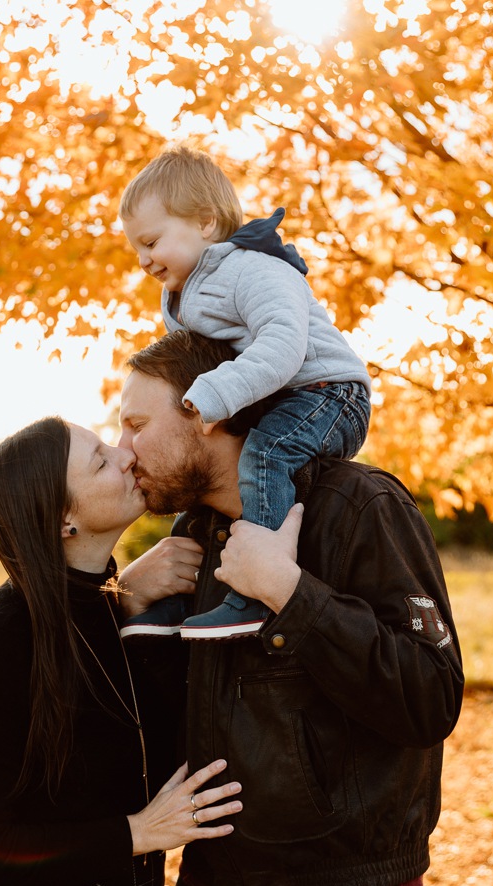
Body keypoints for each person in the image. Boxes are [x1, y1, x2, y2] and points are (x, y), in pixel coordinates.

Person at [118, 331, 465, 886]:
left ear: (207, 413)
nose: (124, 450)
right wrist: (123, 601)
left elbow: (429, 695)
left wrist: (288, 590)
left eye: (135, 425)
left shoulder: (358, 506)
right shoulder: (194, 537)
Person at [0, 416, 243, 886]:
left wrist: (125, 595)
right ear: (61, 520)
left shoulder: (101, 607)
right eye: (101, 460)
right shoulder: (5, 637)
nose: (127, 454)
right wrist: (138, 832)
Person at [119, 145, 372, 639]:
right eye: (137, 250)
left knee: (266, 454)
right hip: (282, 397)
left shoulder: (254, 268)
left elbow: (284, 345)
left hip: (329, 394)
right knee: (203, 484)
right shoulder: (181, 295)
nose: (144, 260)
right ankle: (182, 597)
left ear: (207, 223)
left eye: (151, 242)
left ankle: (252, 593)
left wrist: (213, 393)